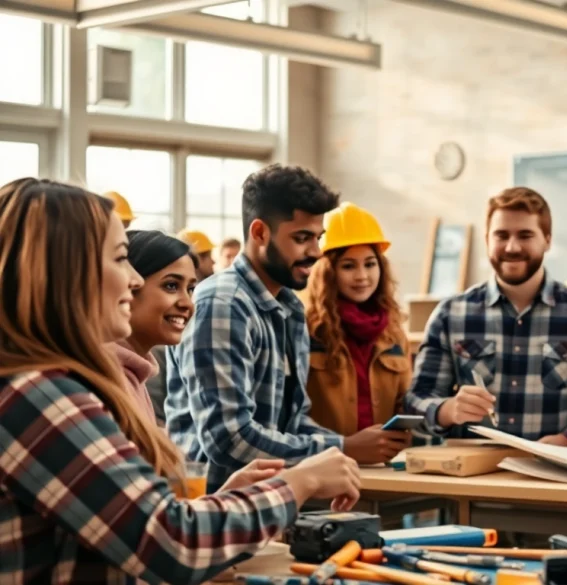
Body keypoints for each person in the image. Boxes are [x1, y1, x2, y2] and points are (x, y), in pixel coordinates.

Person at [0, 177, 361, 583]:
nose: (135, 281)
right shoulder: (38, 395)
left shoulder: (52, 386)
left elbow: (136, 527)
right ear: (67, 271)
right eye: (121, 259)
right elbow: (171, 542)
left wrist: (225, 501)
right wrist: (301, 479)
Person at [165, 164, 353, 493]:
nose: (316, 252)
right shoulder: (223, 304)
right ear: (260, 233)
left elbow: (289, 423)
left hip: (266, 505)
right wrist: (339, 449)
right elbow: (229, 439)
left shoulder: (289, 308)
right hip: (212, 514)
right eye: (302, 238)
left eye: (318, 238)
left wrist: (343, 446)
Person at [405, 187, 567, 448]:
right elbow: (417, 399)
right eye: (501, 235)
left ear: (547, 240)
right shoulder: (450, 314)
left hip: (552, 475)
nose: (512, 247)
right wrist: (447, 409)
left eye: (525, 235)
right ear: (488, 239)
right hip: (469, 479)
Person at [302, 202, 413, 464]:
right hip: (323, 468)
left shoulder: (394, 332)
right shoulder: (306, 330)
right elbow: (292, 415)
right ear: (327, 272)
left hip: (385, 469)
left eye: (370, 264)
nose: (362, 276)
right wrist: (345, 447)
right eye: (348, 266)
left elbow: (405, 403)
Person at [112, 230, 199, 424]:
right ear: (128, 286)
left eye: (190, 289)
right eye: (171, 286)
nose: (188, 303)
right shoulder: (110, 379)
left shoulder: (135, 372)